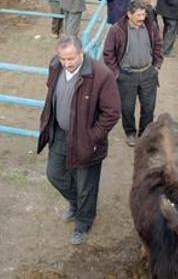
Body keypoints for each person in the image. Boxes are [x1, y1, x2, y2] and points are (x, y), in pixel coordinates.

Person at [38, 35, 121, 245]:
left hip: (86, 138)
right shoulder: (55, 65)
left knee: (86, 183)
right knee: (54, 174)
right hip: (60, 133)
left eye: (71, 59)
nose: (67, 63)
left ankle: (84, 222)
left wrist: (93, 137)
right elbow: (52, 96)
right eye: (63, 59)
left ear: (81, 53)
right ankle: (77, 204)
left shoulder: (101, 75)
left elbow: (112, 112)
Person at [103, 0, 163, 146]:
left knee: (148, 107)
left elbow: (158, 45)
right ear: (129, 14)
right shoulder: (117, 30)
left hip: (148, 73)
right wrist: (117, 73)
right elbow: (108, 53)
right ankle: (130, 132)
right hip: (126, 76)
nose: (142, 18)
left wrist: (156, 66)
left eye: (143, 14)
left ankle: (144, 134)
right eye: (138, 15)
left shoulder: (151, 26)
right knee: (127, 107)